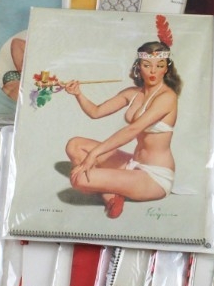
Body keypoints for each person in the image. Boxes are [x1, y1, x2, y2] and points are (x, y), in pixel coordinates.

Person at [64, 39, 181, 218]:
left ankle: (108, 192)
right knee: (74, 145)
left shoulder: (167, 97)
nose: (153, 71)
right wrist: (78, 94)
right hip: (133, 164)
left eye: (159, 65)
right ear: (138, 66)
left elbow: (132, 130)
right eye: (147, 65)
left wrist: (93, 155)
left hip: (154, 177)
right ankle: (112, 193)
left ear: (166, 68)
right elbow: (96, 112)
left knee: (78, 179)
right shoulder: (132, 93)